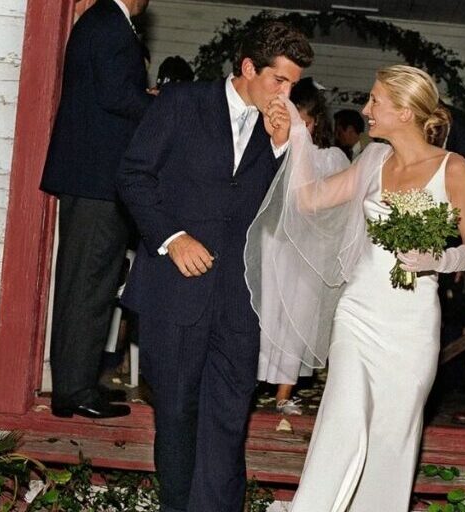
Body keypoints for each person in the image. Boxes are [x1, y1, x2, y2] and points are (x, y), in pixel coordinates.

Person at [246, 65, 465, 511]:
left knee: (392, 438)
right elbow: (309, 200)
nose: (366, 109)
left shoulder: (453, 169)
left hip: (413, 323)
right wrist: (297, 138)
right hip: (358, 311)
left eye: (376, 101)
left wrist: (440, 258)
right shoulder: (372, 159)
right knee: (343, 420)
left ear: (406, 111)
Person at [118, 22, 313, 512]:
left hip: (241, 296)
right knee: (179, 412)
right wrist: (171, 237)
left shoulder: (280, 128)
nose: (287, 94)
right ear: (248, 68)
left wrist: (283, 149)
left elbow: (290, 212)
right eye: (280, 81)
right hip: (176, 289)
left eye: (293, 85)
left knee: (228, 416)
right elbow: (133, 176)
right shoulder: (182, 102)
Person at [39, 0, 151, 419]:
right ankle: (75, 389)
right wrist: (163, 107)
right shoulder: (109, 24)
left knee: (87, 286)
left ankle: (78, 384)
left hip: (92, 178)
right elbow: (117, 95)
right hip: (96, 180)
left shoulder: (103, 21)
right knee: (88, 286)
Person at [257, 77, 349, 416]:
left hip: (308, 250)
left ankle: (284, 391)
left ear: (316, 123)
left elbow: (335, 206)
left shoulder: (332, 158)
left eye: (305, 124)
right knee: (266, 310)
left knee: (299, 315)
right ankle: (253, 380)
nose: (299, 130)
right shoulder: (274, 148)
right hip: (274, 242)